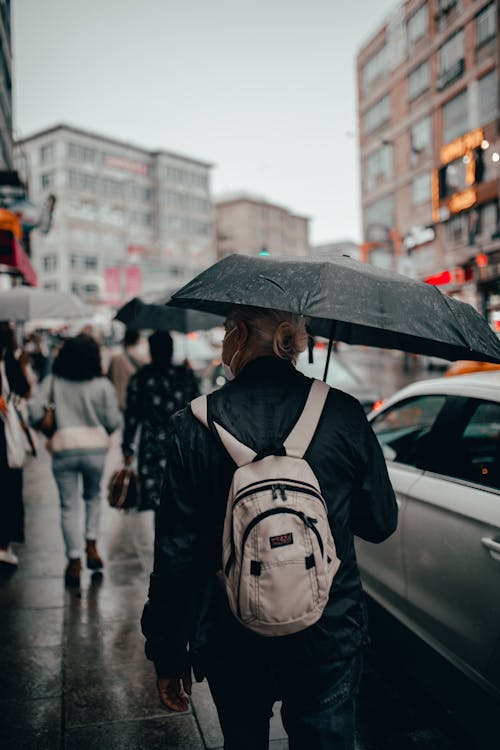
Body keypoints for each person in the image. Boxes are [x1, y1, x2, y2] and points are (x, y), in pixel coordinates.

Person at [141, 306, 398, 750]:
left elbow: (175, 555)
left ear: (239, 335)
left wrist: (168, 650)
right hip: (327, 631)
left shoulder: (193, 424)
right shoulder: (342, 412)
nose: (223, 343)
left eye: (225, 332)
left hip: (230, 634)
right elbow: (380, 523)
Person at [28, 334, 121, 588]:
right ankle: (92, 546)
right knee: (92, 498)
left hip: (63, 448)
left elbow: (34, 412)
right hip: (94, 451)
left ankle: (74, 560)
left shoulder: (53, 382)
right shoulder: (101, 385)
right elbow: (113, 421)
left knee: (68, 506)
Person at [122, 330, 200, 513]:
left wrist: (127, 447)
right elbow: (199, 409)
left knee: (157, 501)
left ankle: (160, 539)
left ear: (151, 350)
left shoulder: (142, 378)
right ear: (172, 350)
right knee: (181, 497)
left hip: (151, 445)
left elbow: (131, 416)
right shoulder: (185, 376)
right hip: (182, 442)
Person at [0, 323, 31, 569]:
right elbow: (24, 389)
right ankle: (3, 546)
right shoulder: (9, 361)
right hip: (5, 437)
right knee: (8, 488)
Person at [107, 328, 148, 411]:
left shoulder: (115, 357)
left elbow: (109, 377)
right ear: (137, 339)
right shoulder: (144, 358)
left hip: (116, 401)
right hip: (134, 401)